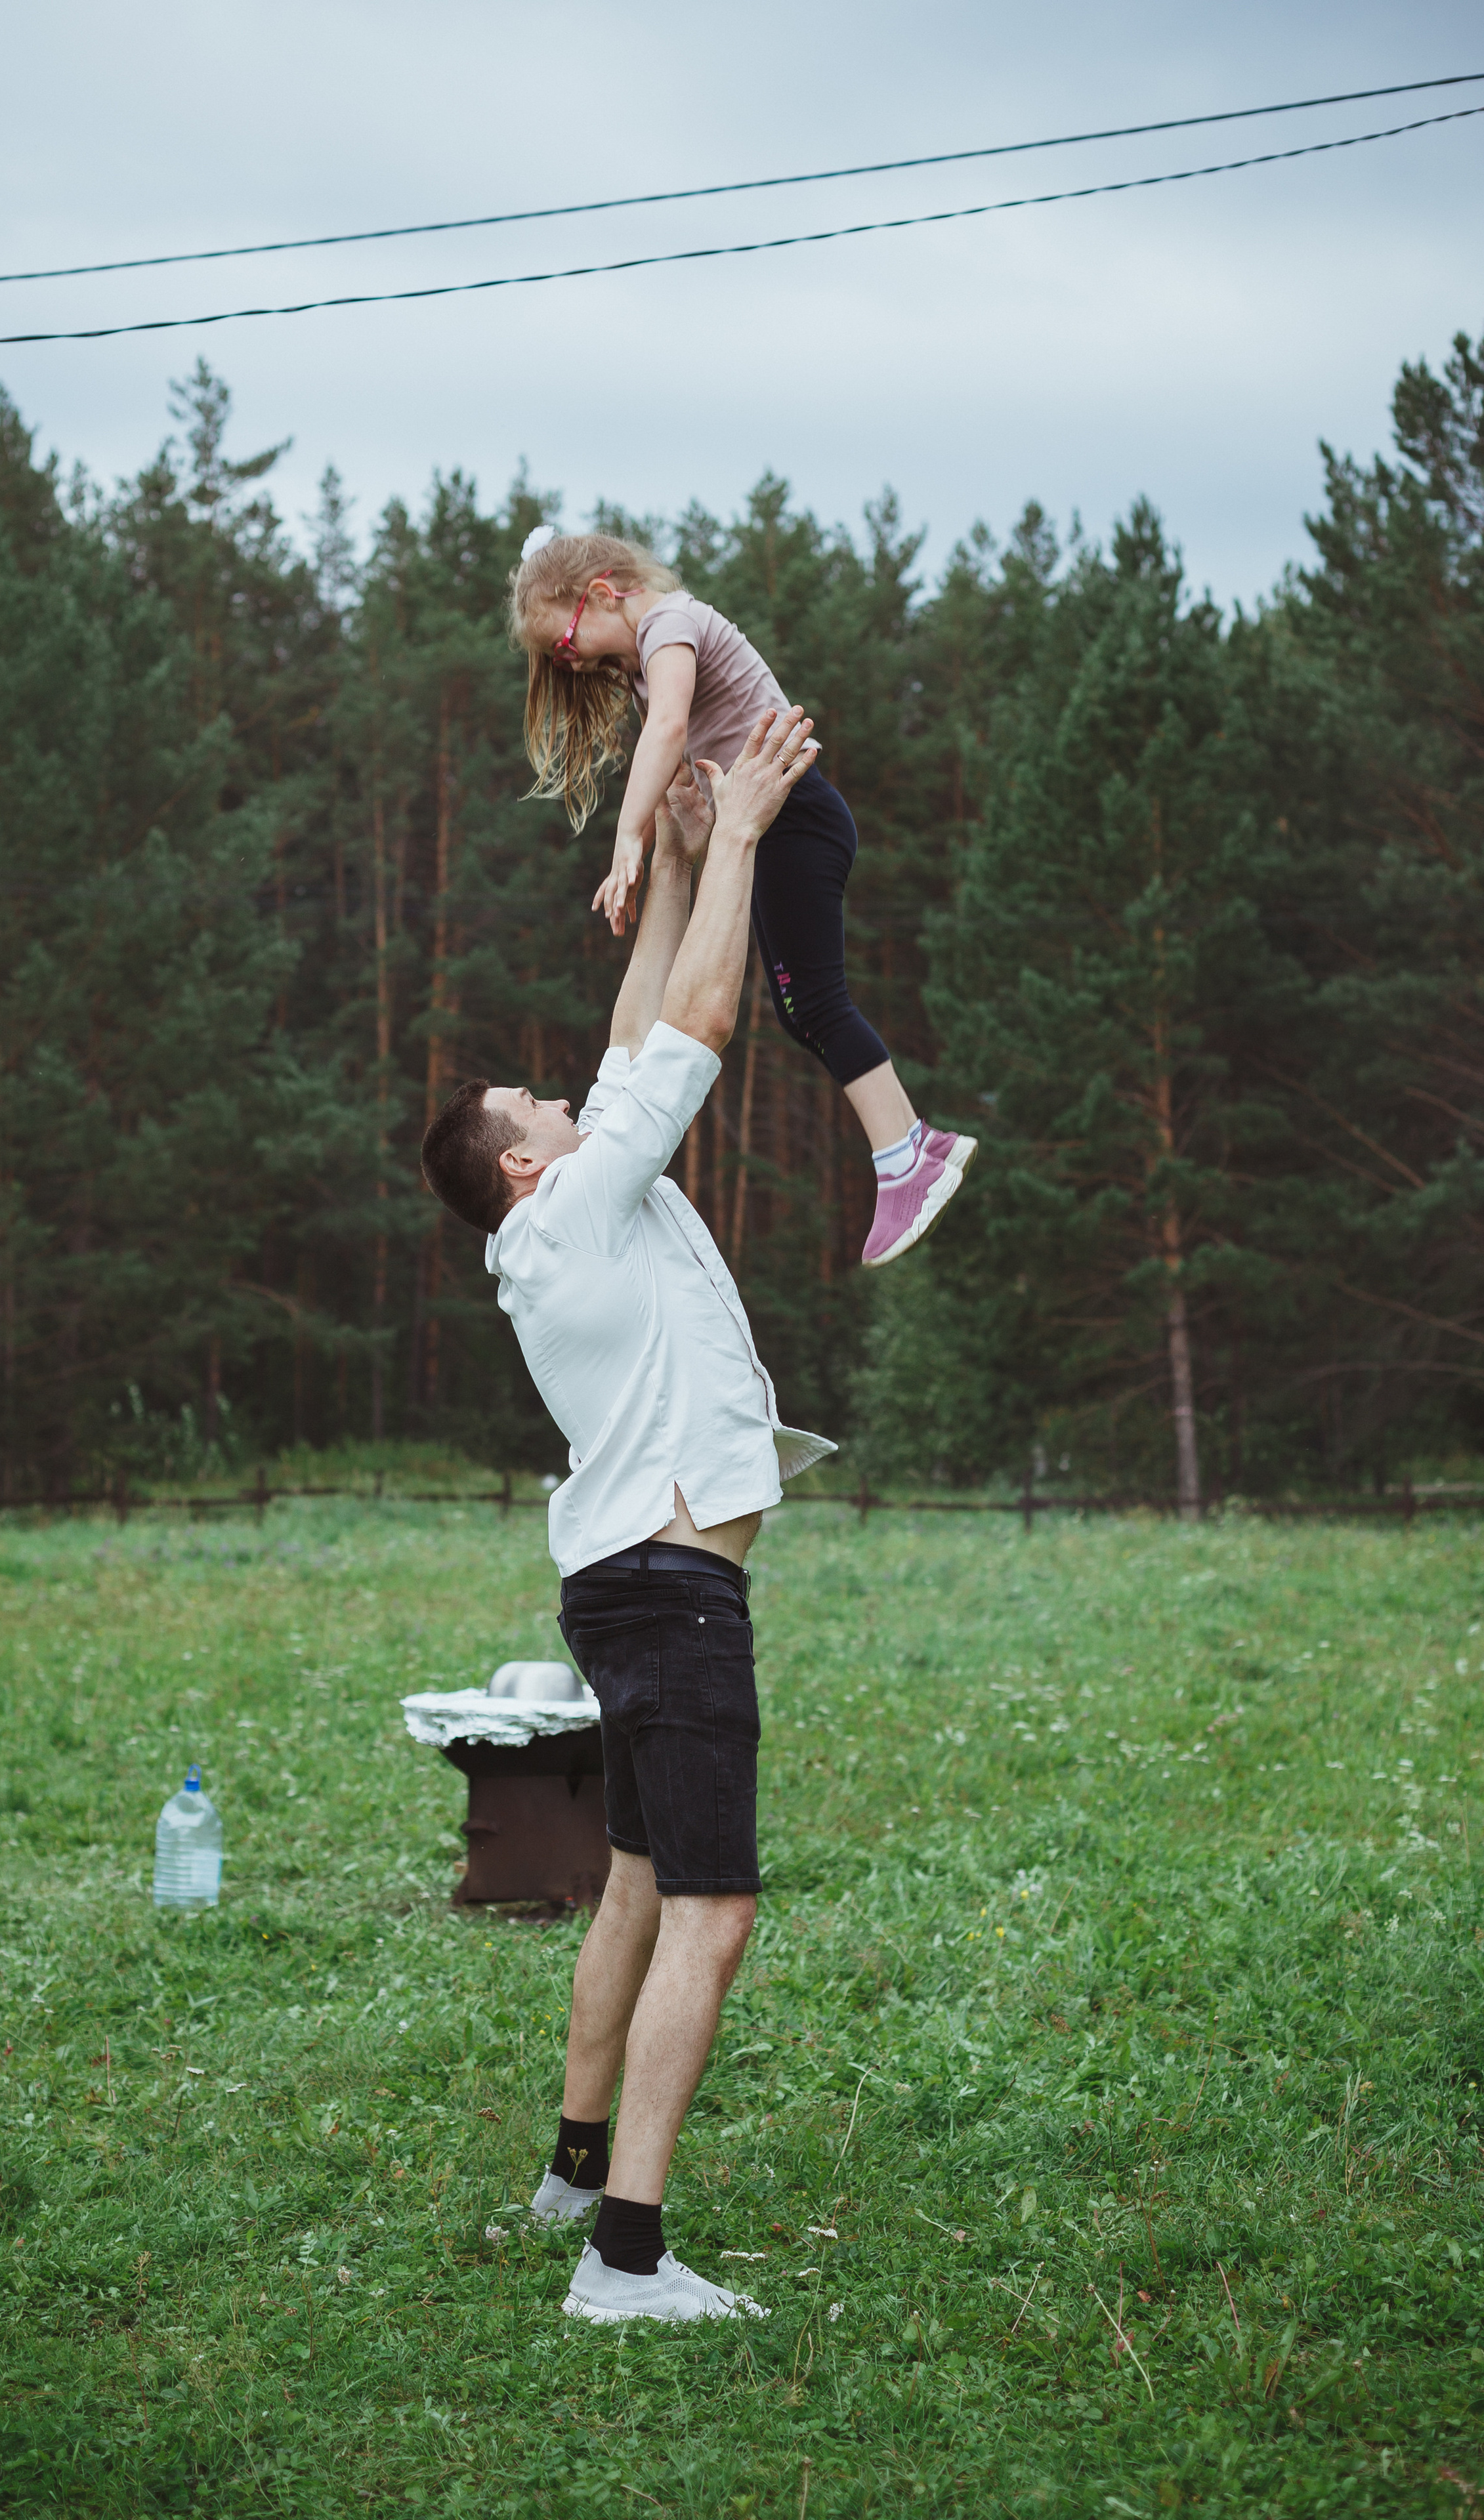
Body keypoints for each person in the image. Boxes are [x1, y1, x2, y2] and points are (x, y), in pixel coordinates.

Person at [421, 709, 830, 2324]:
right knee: (710, 1909)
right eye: (543, 1110)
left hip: (619, 1581)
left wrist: (653, 867)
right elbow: (702, 1018)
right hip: (669, 1591)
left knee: (641, 1885)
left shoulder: (552, 1217)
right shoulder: (585, 1200)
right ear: (525, 1168)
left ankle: (572, 2170)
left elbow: (626, 1034)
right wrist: (731, 833)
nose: (570, 1105)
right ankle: (625, 2261)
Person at [507, 525, 977, 1268]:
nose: (565, 659)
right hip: (774, 825)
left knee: (814, 1002)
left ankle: (910, 1155)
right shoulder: (648, 648)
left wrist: (628, 835)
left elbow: (667, 728)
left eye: (563, 639)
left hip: (795, 820)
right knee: (803, 1010)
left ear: (600, 593)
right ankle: (908, 1149)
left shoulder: (668, 624)